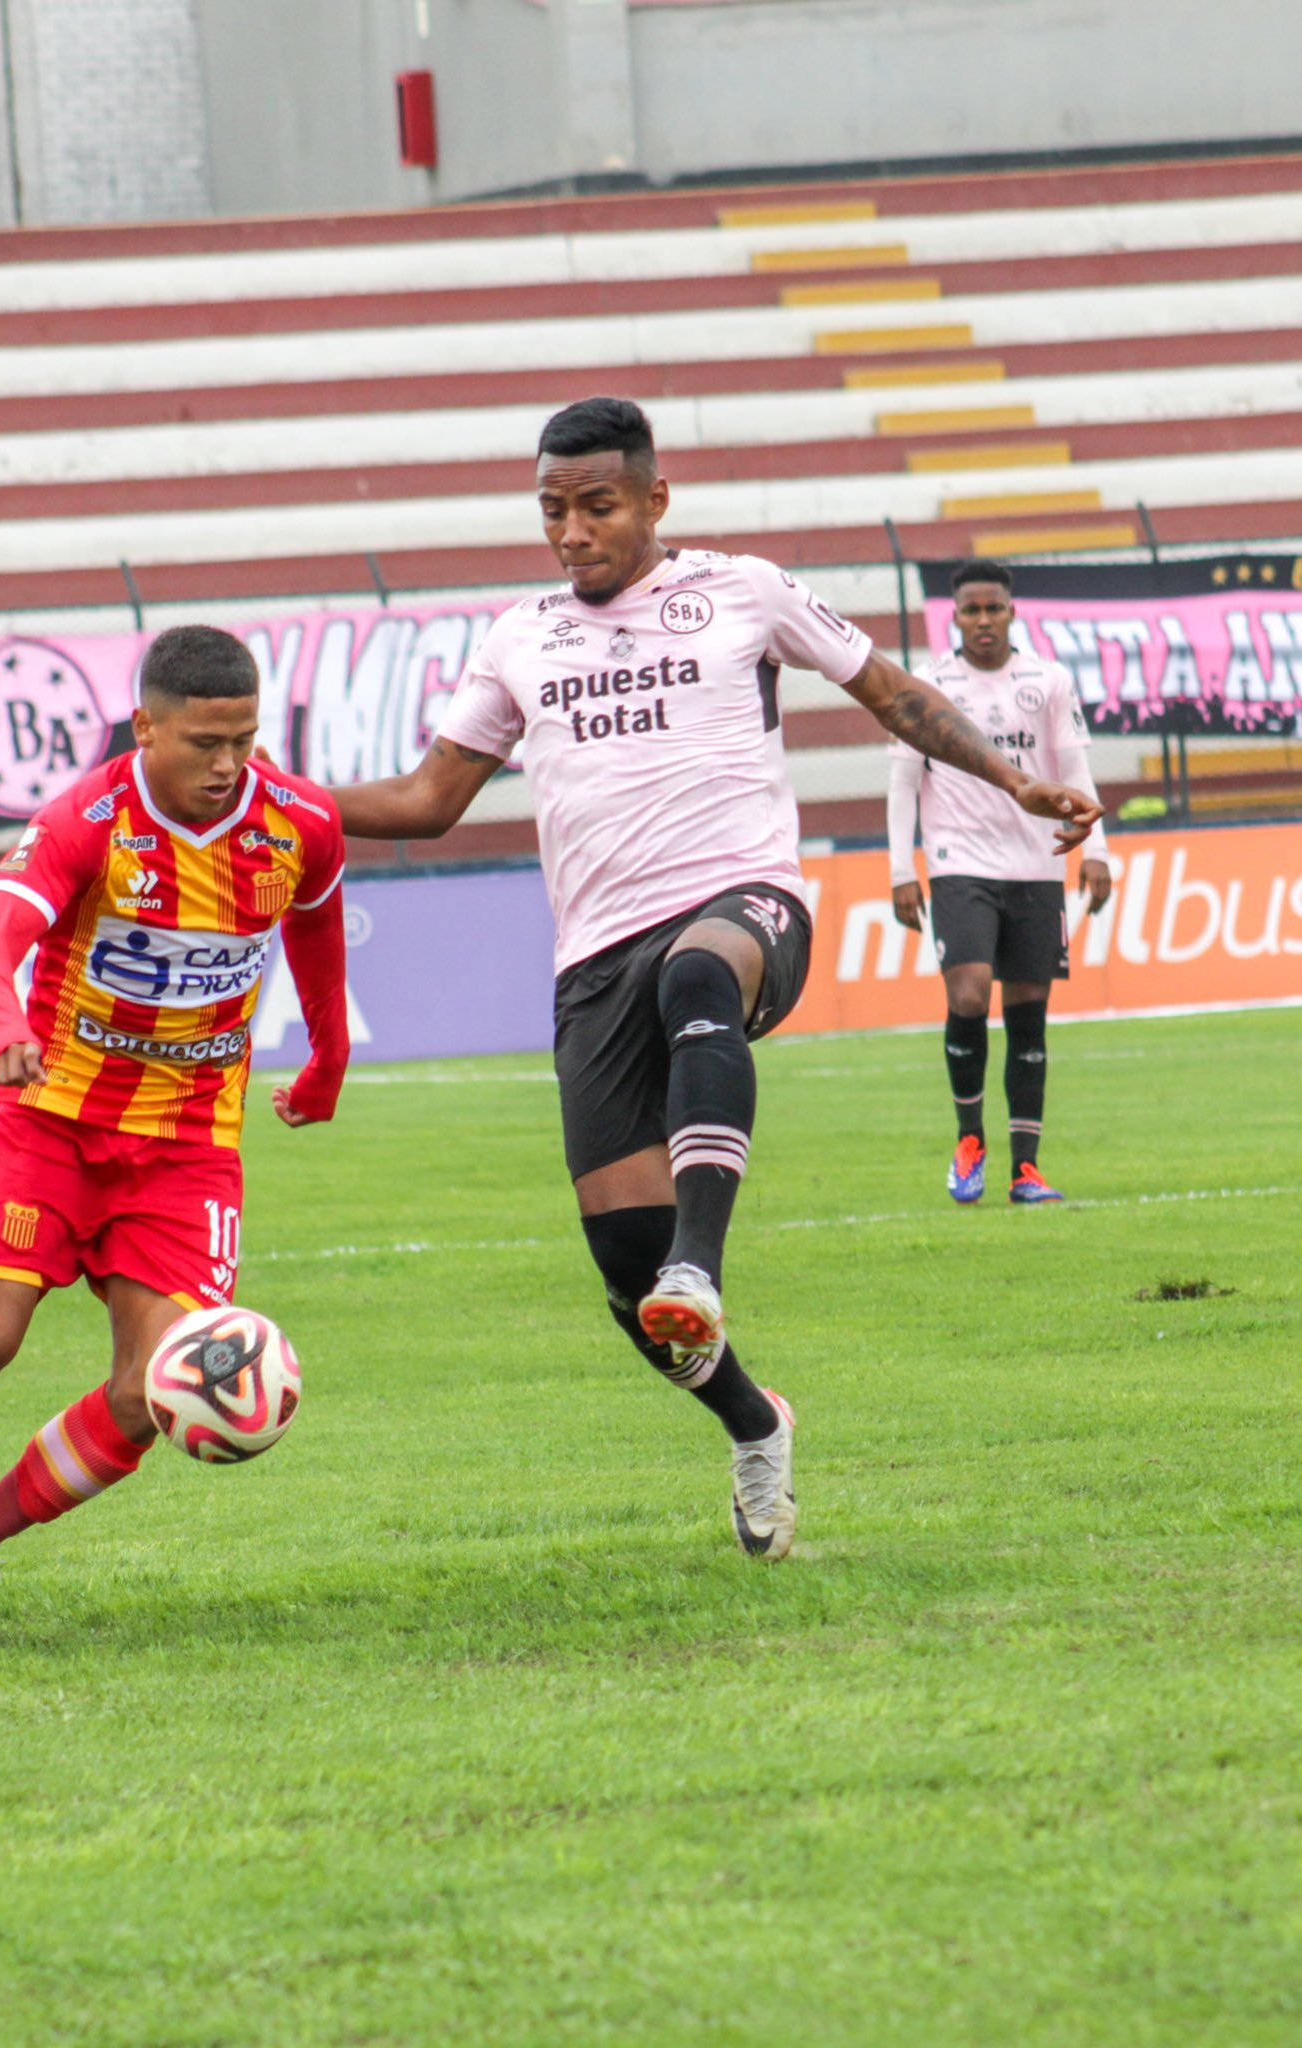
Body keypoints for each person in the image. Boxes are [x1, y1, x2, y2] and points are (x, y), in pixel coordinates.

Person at [328, 397, 1103, 1560]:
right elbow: (425, 802)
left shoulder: (742, 589)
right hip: (592, 957)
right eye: (552, 509)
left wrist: (1009, 778)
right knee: (629, 1283)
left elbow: (890, 691)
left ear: (653, 499)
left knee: (700, 976)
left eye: (595, 505)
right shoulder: (518, 637)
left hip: (745, 899)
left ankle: (704, 1255)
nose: (572, 531)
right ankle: (753, 1419)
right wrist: (262, 795)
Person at [0, 624, 349, 1650]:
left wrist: (329, 1055)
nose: (227, 766)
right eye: (202, 743)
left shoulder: (299, 820)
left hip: (186, 1144)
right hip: (51, 1120)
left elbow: (312, 924)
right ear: (145, 726)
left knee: (150, 1391)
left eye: (244, 740)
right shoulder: (85, 821)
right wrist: (4, 1032)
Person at [889, 558, 1112, 1206]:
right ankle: (968, 1139)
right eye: (970, 610)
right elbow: (904, 779)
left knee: (1027, 1013)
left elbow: (1073, 767)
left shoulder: (1047, 680)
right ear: (952, 616)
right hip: (958, 861)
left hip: (1036, 863)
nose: (982, 620)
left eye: (993, 608)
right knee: (967, 993)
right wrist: (902, 868)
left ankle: (1024, 1168)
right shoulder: (927, 684)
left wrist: (1095, 847)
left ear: (1010, 611)